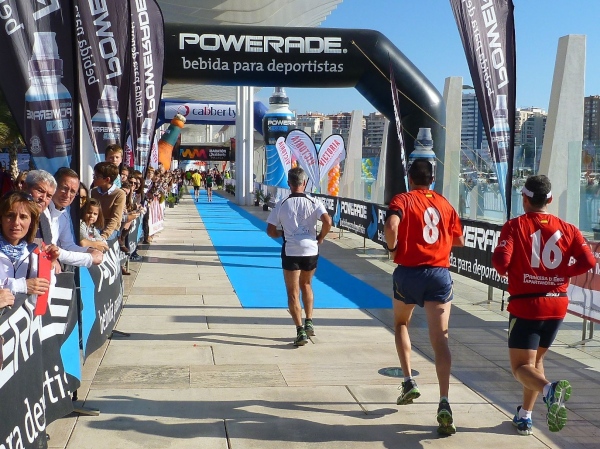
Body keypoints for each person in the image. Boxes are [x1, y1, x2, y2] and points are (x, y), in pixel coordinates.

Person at [492, 175, 595, 436]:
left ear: (524, 199)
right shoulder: (569, 228)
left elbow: (501, 264)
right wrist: (564, 273)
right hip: (557, 303)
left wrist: (519, 270)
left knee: (520, 368)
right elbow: (589, 262)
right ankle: (525, 416)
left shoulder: (515, 226)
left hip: (527, 304)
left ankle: (550, 390)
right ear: (549, 199)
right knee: (536, 360)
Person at [384, 158, 464, 436]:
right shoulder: (445, 204)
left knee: (401, 324)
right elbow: (459, 240)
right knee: (440, 340)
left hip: (408, 273)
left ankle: (408, 380)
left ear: (410, 178)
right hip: (438, 274)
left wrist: (392, 249)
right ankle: (444, 400)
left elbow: (391, 226)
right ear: (432, 179)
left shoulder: (403, 200)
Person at [266, 167, 332, 346]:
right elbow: (328, 221)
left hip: (291, 250)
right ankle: (309, 320)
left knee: (292, 292)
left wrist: (281, 233)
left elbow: (270, 230)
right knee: (307, 284)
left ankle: (300, 330)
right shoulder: (314, 201)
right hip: (311, 250)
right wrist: (321, 237)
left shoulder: (282, 203)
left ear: (289, 183)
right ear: (305, 183)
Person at [0, 191, 59, 299]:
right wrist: (22, 286)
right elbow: (26, 287)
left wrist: (48, 266)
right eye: (10, 215)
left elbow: (42, 298)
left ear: (31, 222)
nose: (16, 222)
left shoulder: (33, 253)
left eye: (23, 217)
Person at [90, 161, 126, 240]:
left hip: (111, 228)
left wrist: (104, 236)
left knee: (96, 240)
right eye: (94, 175)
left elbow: (115, 218)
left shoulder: (119, 194)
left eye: (97, 176)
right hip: (96, 225)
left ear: (107, 179)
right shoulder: (94, 191)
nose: (94, 178)